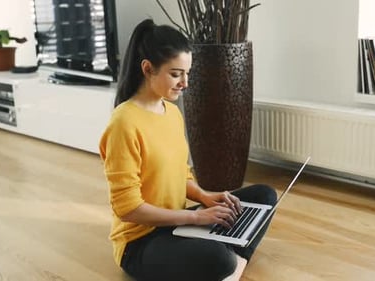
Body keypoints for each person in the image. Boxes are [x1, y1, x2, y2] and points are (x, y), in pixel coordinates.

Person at [99, 19, 277, 281]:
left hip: (178, 224)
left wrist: (205, 197)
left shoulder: (171, 112)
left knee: (265, 196)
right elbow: (128, 209)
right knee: (216, 258)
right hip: (141, 243)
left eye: (187, 73)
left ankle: (232, 263)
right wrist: (196, 219)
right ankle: (232, 260)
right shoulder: (123, 123)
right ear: (148, 69)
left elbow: (180, 174)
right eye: (176, 74)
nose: (185, 83)